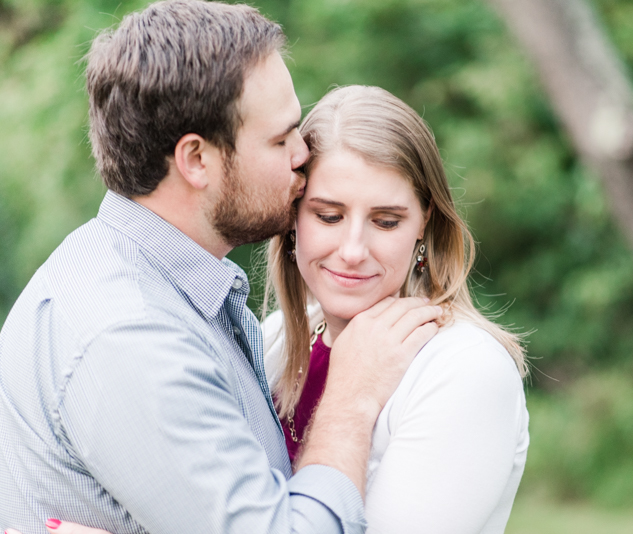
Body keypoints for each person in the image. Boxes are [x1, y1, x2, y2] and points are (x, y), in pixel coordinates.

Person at [0, 2, 440, 534]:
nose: (304, 154)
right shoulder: (131, 335)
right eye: (281, 139)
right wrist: (350, 399)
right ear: (197, 160)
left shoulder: (138, 280)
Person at [262, 85, 530, 533]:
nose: (352, 250)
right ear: (292, 218)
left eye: (386, 221)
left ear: (425, 222)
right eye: (328, 216)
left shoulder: (465, 369)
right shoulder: (273, 341)